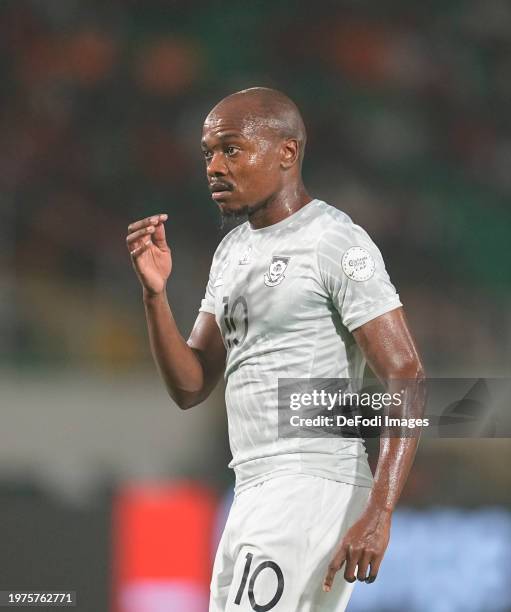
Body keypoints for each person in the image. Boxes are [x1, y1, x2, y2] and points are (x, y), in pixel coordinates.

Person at [126, 87, 425, 612]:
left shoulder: (335, 241)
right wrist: (155, 295)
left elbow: (406, 374)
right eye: (208, 153)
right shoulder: (233, 251)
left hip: (311, 480)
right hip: (252, 483)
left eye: (232, 150)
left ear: (286, 153)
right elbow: (192, 384)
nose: (215, 166)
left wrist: (380, 512)